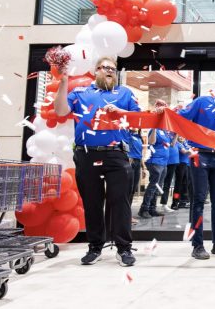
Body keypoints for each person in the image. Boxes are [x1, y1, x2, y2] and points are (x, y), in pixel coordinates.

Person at [54, 56, 139, 267]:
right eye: (105, 68)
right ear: (96, 71)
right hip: (86, 154)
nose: (109, 71)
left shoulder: (125, 93)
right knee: (92, 202)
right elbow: (61, 111)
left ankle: (124, 248)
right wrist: (63, 83)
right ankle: (95, 247)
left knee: (120, 202)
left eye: (113, 68)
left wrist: (121, 113)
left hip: (116, 154)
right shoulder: (82, 93)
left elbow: (136, 120)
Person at [178, 72, 215, 260]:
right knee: (198, 201)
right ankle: (197, 245)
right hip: (200, 157)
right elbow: (181, 117)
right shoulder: (202, 102)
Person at [138, 127, 174, 219]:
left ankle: (152, 209)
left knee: (158, 186)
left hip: (164, 163)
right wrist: (154, 128)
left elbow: (172, 144)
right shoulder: (155, 130)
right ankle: (144, 209)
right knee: (153, 186)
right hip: (155, 161)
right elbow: (151, 142)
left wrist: (177, 133)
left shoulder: (166, 133)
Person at [160, 130, 180, 213]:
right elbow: (169, 145)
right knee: (163, 183)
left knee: (168, 183)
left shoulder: (173, 133)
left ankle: (164, 203)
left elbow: (173, 144)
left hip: (174, 161)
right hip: (165, 161)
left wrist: (176, 134)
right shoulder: (164, 132)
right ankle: (155, 204)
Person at [127, 128, 144, 224]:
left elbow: (140, 154)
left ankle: (128, 215)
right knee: (128, 190)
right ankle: (126, 216)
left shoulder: (138, 137)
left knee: (132, 190)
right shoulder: (127, 134)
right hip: (130, 162)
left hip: (138, 163)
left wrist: (143, 167)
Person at [172, 136, 191, 210]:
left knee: (185, 184)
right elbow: (185, 152)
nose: (182, 137)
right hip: (180, 165)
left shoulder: (185, 143)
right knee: (178, 185)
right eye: (180, 136)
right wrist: (194, 150)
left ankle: (183, 202)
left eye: (183, 136)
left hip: (185, 164)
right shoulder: (178, 144)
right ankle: (175, 202)